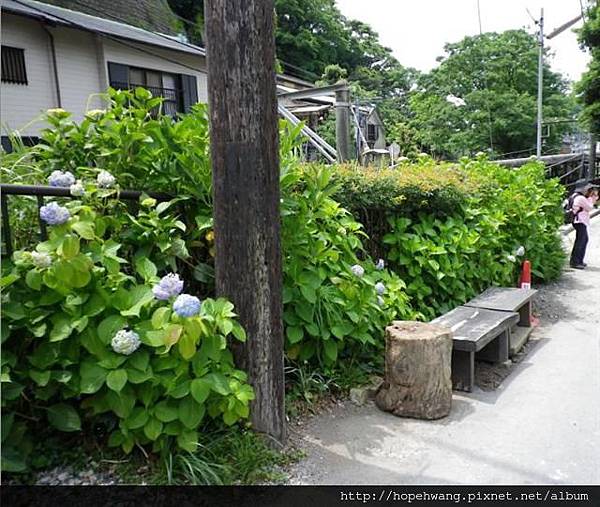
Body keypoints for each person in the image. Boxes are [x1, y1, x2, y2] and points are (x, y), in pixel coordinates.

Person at [570, 182, 599, 269]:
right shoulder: (581, 198)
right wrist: (593, 198)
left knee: (582, 240)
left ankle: (578, 260)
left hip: (578, 221)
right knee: (581, 241)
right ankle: (576, 262)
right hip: (580, 221)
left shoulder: (575, 195)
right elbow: (590, 207)